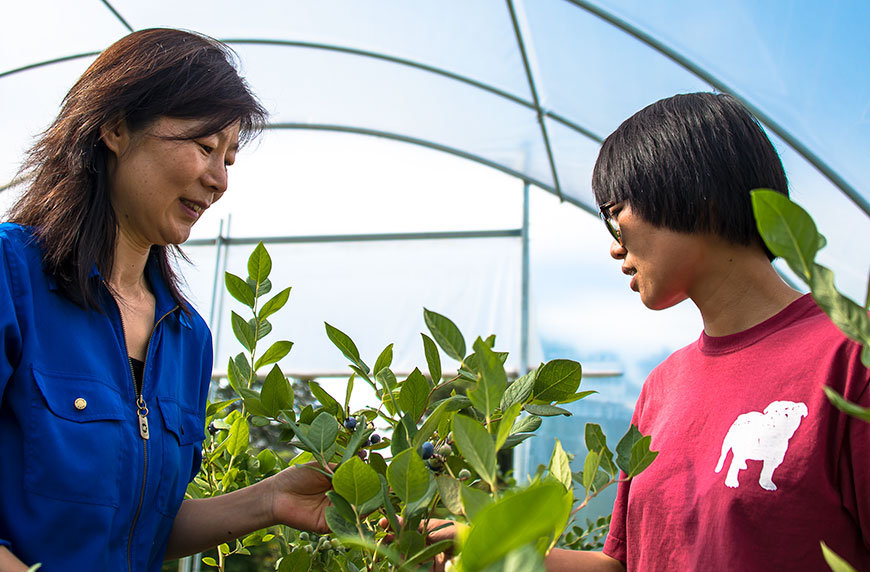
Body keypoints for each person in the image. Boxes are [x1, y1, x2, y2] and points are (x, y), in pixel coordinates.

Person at [0, 28, 331, 571]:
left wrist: (270, 499)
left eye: (229, 158)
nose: (219, 179)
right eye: (204, 147)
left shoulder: (185, 336)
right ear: (115, 128)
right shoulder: (13, 277)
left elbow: (139, 524)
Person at [544, 92, 870, 570]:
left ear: (695, 193)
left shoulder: (848, 362)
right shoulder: (661, 388)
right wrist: (495, 549)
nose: (615, 247)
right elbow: (626, 564)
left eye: (615, 213)